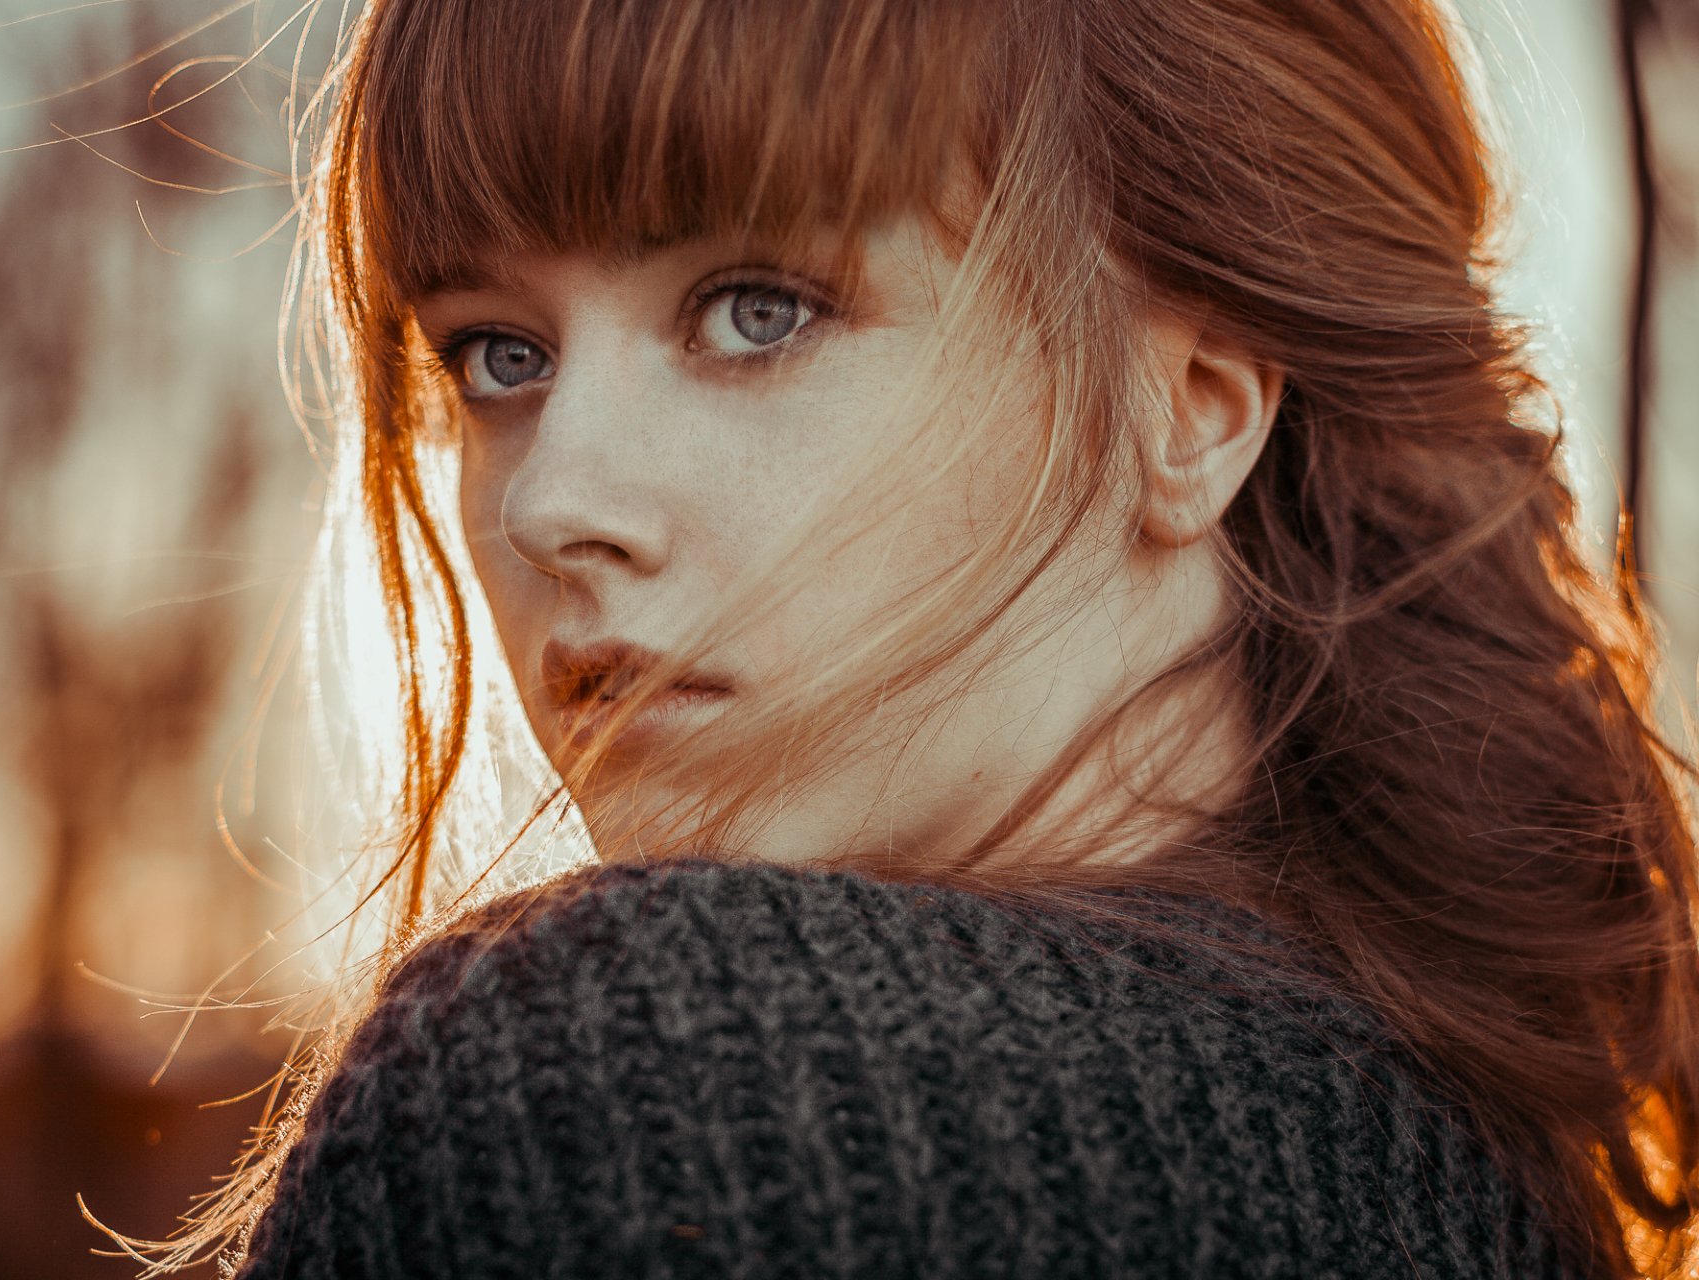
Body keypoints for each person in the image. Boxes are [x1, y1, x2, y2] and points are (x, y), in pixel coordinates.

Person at [139, 0, 1699, 1274]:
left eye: (757, 309)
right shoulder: (1508, 1174)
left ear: (1192, 410)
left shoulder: (638, 1080)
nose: (553, 500)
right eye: (498, 355)